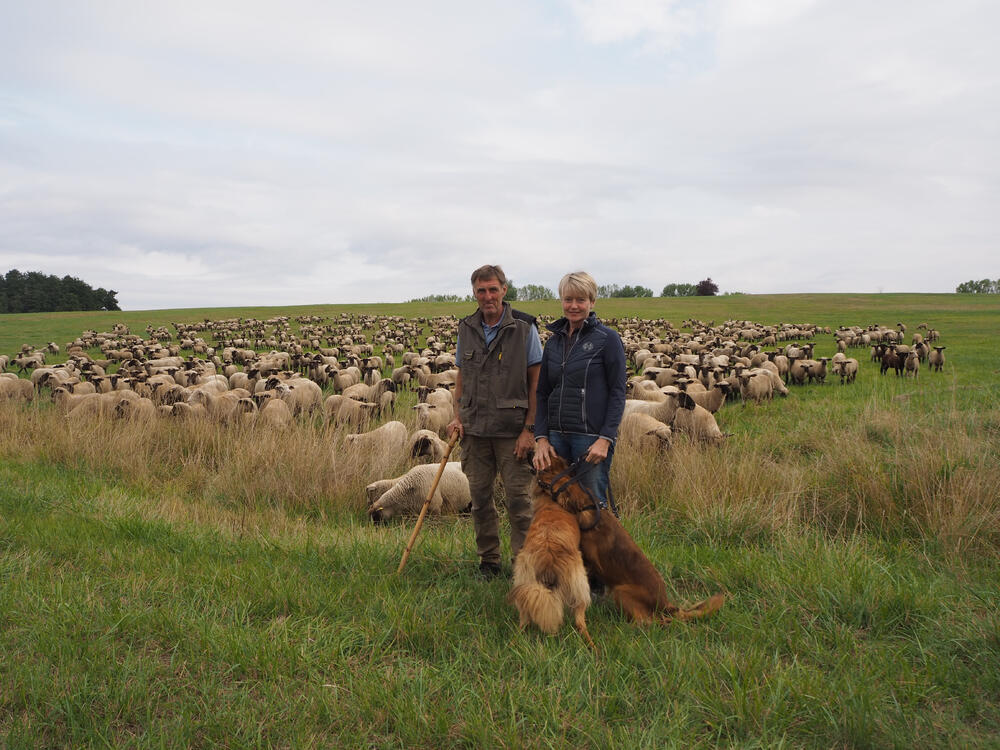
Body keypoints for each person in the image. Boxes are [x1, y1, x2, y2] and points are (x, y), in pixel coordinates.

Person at [447, 265, 543, 578]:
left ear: (504, 290)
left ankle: (524, 565)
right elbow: (462, 376)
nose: (487, 296)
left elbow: (536, 383)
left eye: (493, 289)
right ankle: (488, 561)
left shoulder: (525, 328)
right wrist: (457, 417)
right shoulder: (466, 328)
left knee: (518, 501)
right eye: (481, 291)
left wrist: (530, 430)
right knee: (480, 500)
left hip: (511, 431)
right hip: (474, 431)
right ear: (474, 293)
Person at [532, 271, 627, 509]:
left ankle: (602, 548)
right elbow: (542, 392)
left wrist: (605, 439)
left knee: (591, 506)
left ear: (592, 302)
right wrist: (541, 438)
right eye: (568, 299)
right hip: (556, 438)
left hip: (590, 438)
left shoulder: (608, 339)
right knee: (556, 504)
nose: (573, 306)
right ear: (562, 300)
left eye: (581, 300)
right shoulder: (553, 343)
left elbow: (617, 392)